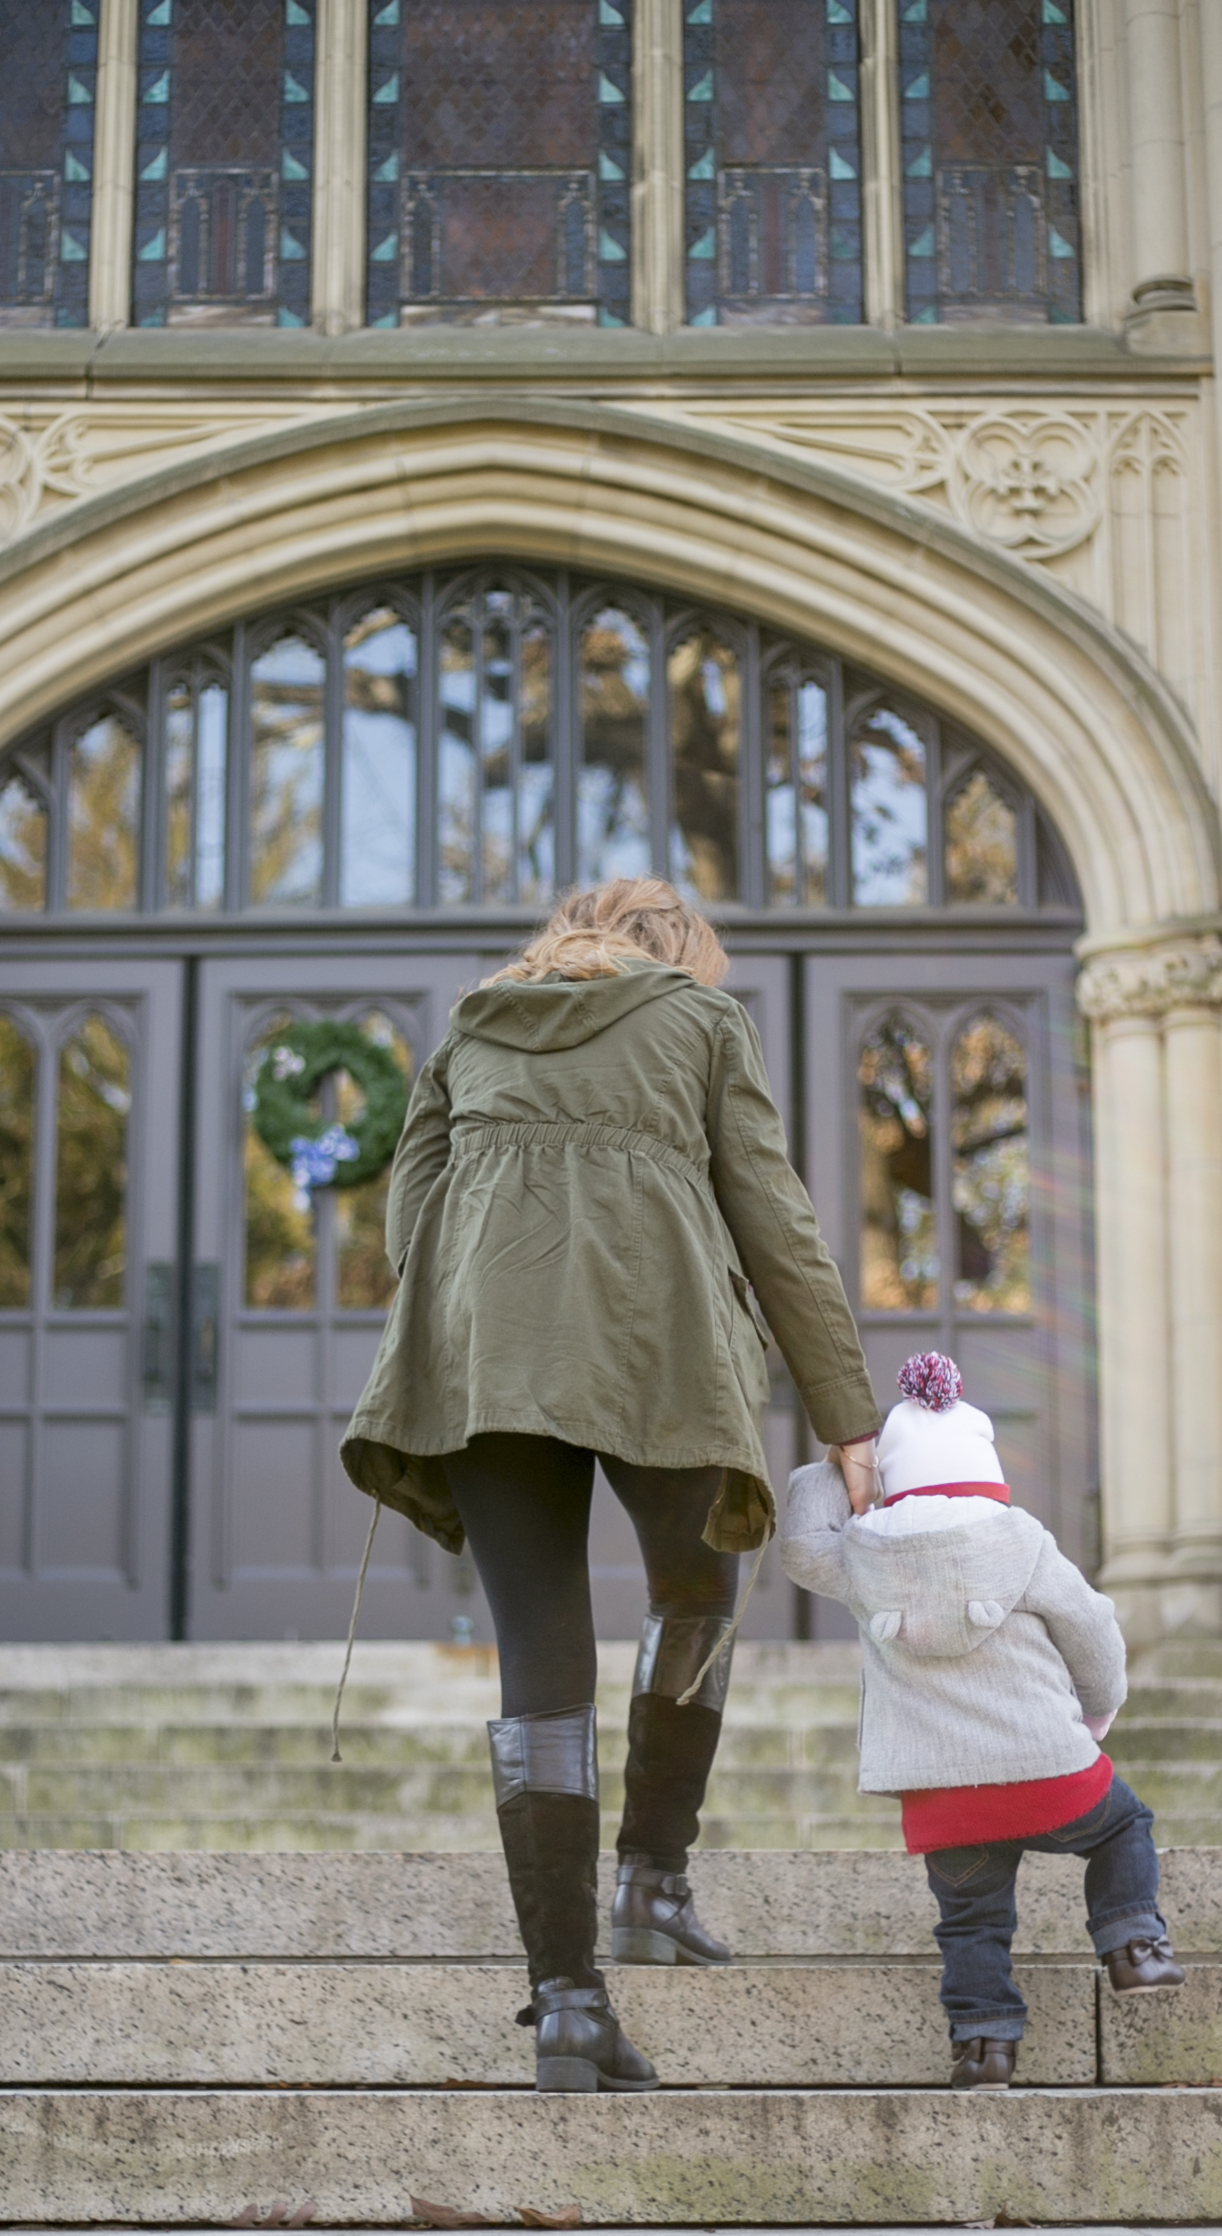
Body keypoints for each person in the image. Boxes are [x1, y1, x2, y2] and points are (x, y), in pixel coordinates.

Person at [341, 877, 880, 2092]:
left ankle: (570, 2000)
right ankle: (653, 1880)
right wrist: (848, 1413)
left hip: (486, 1362)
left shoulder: (473, 1022)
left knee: (540, 1660)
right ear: (680, 952)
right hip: (661, 1350)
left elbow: (409, 1220)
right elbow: (774, 1220)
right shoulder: (700, 1024)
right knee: (695, 1596)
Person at [782, 1350, 1184, 2091]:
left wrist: (842, 1470)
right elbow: (1091, 1631)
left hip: (942, 1797)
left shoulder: (861, 1552)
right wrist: (1098, 1709)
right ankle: (1134, 1945)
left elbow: (802, 1545)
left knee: (970, 1920)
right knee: (1124, 1826)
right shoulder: (1020, 1539)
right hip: (1050, 1775)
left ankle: (983, 2047)